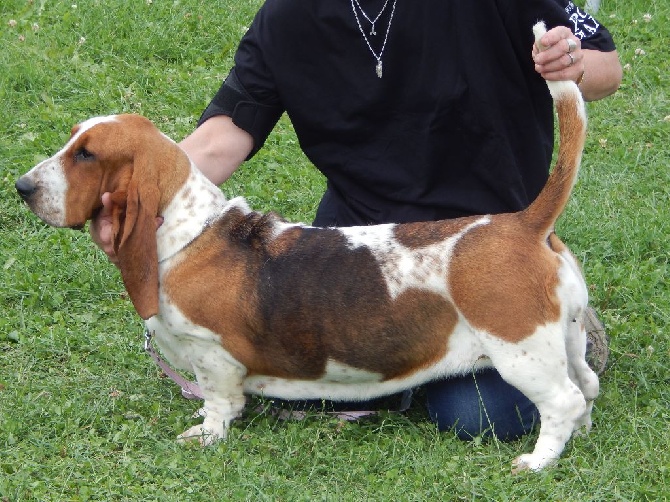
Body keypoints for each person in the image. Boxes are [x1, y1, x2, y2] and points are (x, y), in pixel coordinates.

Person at [91, 0, 622, 440]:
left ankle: (556, 311)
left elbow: (606, 67)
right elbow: (224, 133)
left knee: (480, 416)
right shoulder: (289, 15)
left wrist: (571, 62)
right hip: (356, 256)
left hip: (487, 250)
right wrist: (140, 202)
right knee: (312, 388)